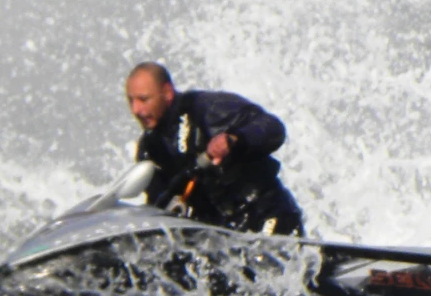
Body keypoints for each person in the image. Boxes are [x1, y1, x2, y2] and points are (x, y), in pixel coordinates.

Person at [124, 62, 304, 236]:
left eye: (143, 99)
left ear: (167, 93)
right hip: (223, 235)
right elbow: (158, 207)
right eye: (130, 100)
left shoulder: (207, 109)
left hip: (265, 214)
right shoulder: (150, 149)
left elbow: (273, 128)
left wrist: (234, 139)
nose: (136, 110)